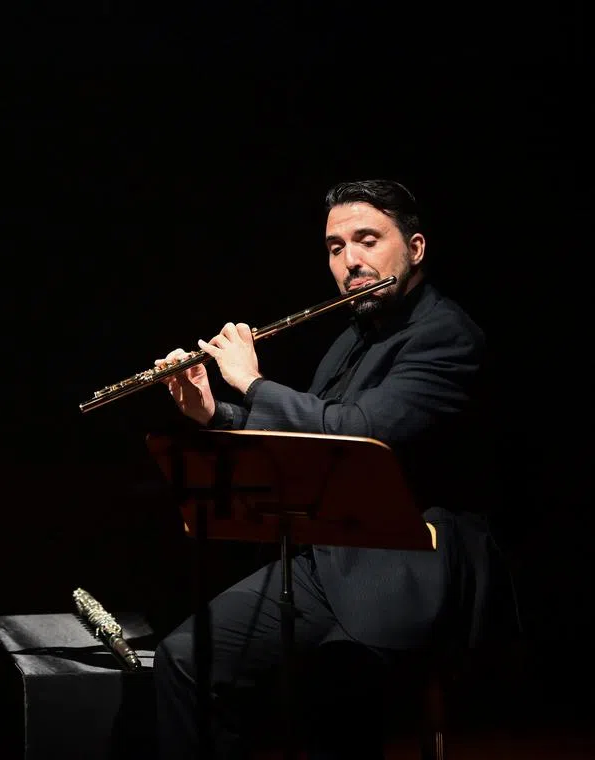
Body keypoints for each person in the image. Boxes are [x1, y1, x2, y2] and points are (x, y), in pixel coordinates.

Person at [152, 179, 511, 758]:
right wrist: (214, 411)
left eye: (367, 240)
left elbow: (357, 433)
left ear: (414, 248)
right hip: (329, 558)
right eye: (335, 247)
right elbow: (306, 438)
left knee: (329, 690)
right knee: (184, 659)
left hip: (412, 564)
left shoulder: (447, 336)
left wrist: (252, 381)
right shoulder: (352, 336)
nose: (351, 261)